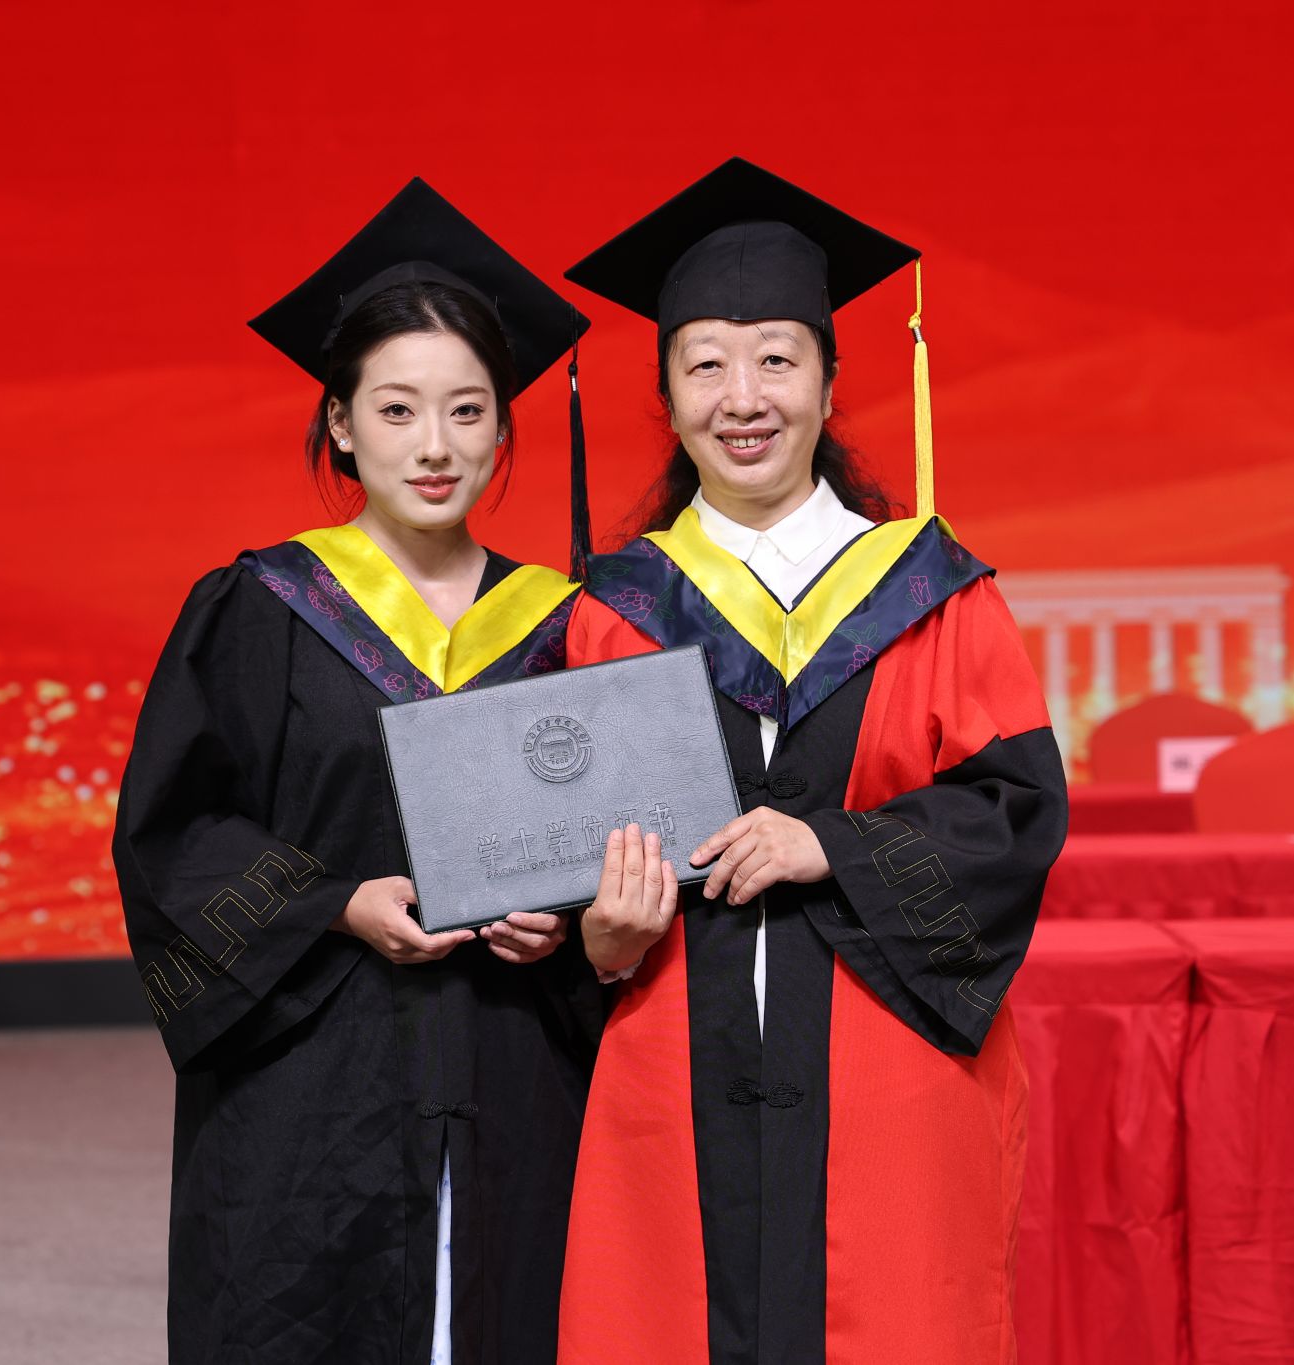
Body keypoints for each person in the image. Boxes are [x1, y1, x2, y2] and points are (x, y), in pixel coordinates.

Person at [554, 159, 1070, 1365]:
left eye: (776, 360)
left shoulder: (934, 596)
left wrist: (827, 842)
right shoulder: (608, 613)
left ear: (829, 384)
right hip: (668, 1064)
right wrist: (594, 935)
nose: (743, 398)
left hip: (887, 1075)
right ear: (667, 396)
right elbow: (553, 846)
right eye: (705, 366)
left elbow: (1014, 814)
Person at [113, 178, 601, 1365]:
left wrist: (566, 917)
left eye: (466, 412)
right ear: (339, 424)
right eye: (395, 409)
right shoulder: (260, 608)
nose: (434, 446)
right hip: (311, 1088)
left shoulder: (568, 626)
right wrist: (334, 903)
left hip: (515, 1071)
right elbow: (174, 834)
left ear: (502, 429)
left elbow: (623, 834)